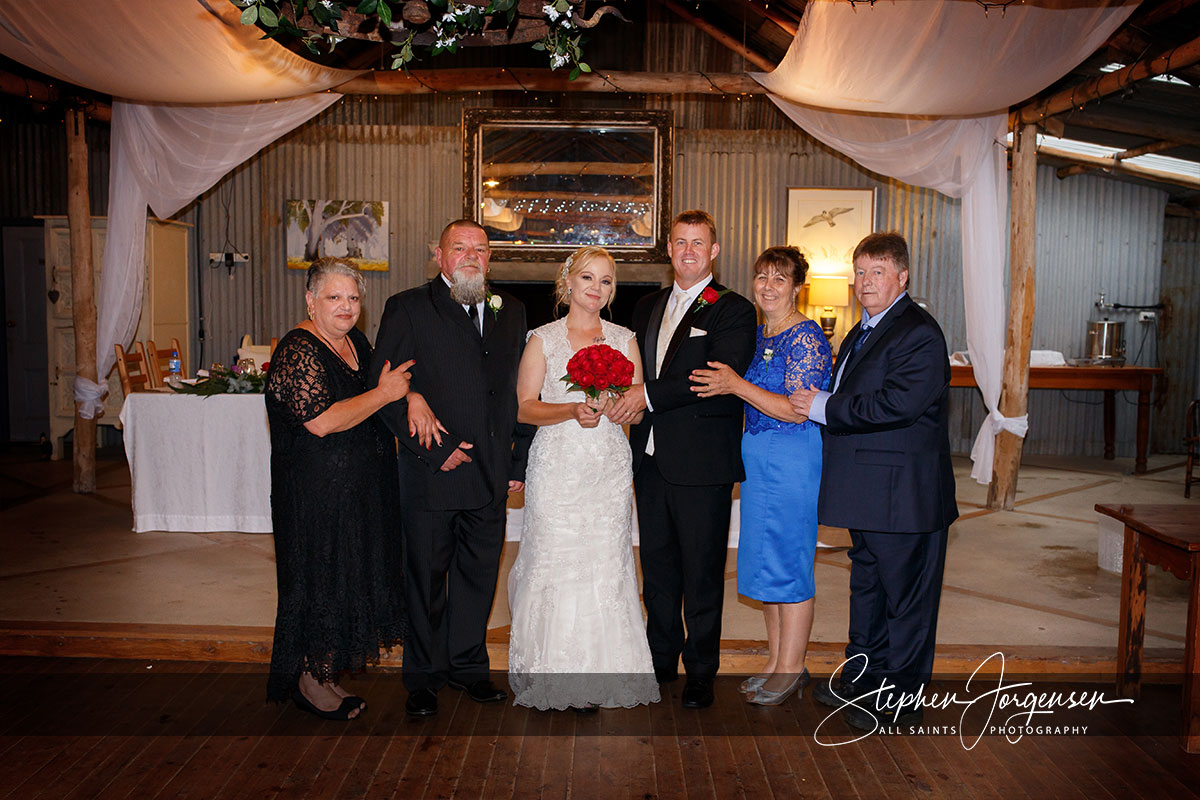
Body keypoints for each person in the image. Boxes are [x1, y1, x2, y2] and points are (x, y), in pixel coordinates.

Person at [790, 232, 957, 731]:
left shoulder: (919, 333)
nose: (865, 283)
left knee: (905, 605)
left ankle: (898, 705)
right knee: (867, 590)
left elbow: (897, 405)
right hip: (869, 494)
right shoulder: (861, 330)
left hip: (904, 497)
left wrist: (821, 405)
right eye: (859, 272)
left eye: (877, 272)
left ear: (902, 277)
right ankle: (861, 681)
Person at [371, 219, 532, 718]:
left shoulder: (511, 311)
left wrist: (517, 458)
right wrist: (434, 451)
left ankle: (468, 669)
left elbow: (523, 392)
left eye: (480, 249)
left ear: (490, 258)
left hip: (489, 475)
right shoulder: (408, 307)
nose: (470, 256)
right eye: (458, 247)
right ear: (437, 255)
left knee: (477, 579)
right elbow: (384, 394)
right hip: (430, 474)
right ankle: (423, 677)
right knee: (424, 579)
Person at [608, 210, 757, 709]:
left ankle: (701, 670)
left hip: (702, 463)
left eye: (698, 243)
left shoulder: (732, 309)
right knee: (659, 567)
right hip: (649, 459)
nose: (688, 250)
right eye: (679, 242)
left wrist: (645, 395)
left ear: (714, 251)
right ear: (667, 250)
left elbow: (715, 374)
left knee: (702, 572)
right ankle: (660, 658)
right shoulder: (647, 304)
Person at [507, 246, 661, 712]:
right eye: (588, 278)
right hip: (557, 464)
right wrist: (571, 409)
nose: (597, 288)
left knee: (604, 563)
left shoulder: (623, 338)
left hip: (607, 466)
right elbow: (525, 406)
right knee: (555, 560)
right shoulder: (543, 339)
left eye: (607, 281)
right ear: (567, 283)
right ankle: (552, 673)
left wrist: (616, 408)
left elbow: (634, 407)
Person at [265, 256, 413, 720]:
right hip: (314, 495)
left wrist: (410, 396)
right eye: (334, 297)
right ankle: (310, 680)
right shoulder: (298, 350)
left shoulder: (356, 343)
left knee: (346, 577)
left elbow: (386, 389)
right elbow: (323, 422)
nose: (346, 306)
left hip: (357, 491)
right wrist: (386, 394)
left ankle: (328, 670)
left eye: (352, 298)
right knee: (318, 579)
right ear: (311, 300)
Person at [689, 246, 832, 706]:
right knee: (768, 560)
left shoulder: (806, 338)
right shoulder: (758, 333)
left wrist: (736, 384)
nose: (768, 286)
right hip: (757, 456)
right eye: (762, 277)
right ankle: (775, 661)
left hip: (790, 455)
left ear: (796, 288)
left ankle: (792, 668)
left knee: (790, 560)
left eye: (780, 279)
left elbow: (797, 410)